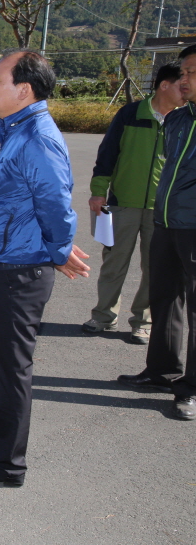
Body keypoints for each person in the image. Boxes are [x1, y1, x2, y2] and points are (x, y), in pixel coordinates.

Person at [0, 50, 89, 487]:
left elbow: (57, 204)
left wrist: (58, 251)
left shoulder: (38, 137)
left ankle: (6, 463)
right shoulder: (16, 129)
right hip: (0, 261)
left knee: (9, 368)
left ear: (24, 90)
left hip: (19, 268)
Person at [118, 44, 196, 421]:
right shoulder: (180, 120)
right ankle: (162, 371)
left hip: (193, 225)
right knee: (164, 296)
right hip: (166, 221)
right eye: (182, 72)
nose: (184, 79)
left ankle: (191, 390)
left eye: (191, 72)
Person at [84, 62, 183, 344]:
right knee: (114, 263)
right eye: (181, 82)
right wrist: (98, 190)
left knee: (155, 268)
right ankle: (103, 316)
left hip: (163, 209)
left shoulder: (186, 118)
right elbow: (108, 153)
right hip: (122, 203)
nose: (185, 88)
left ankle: (143, 321)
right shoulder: (130, 113)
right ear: (164, 85)